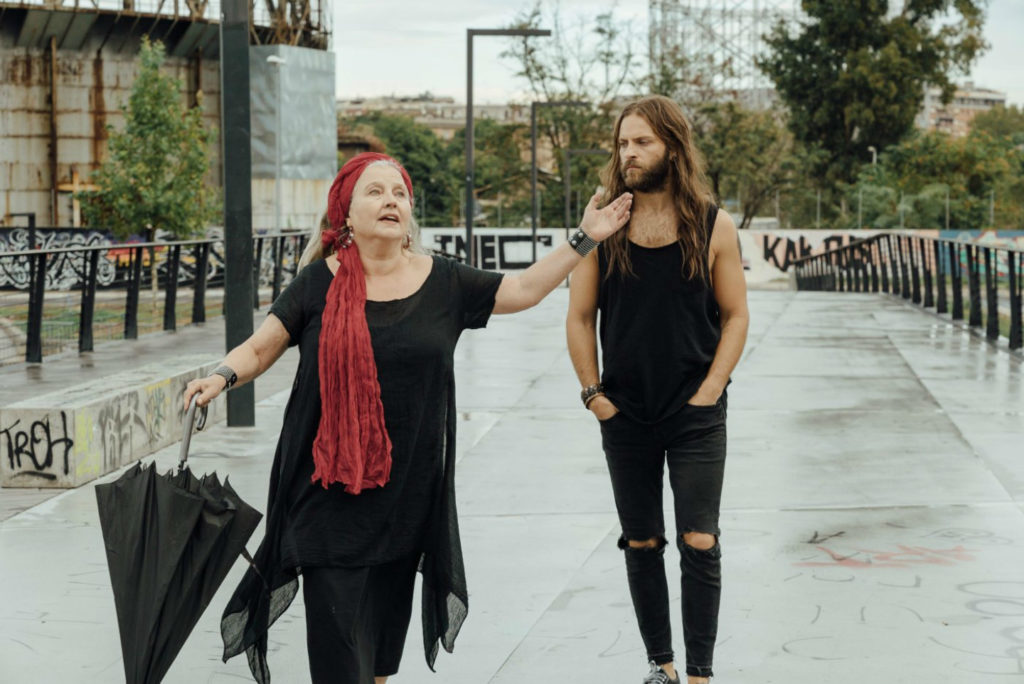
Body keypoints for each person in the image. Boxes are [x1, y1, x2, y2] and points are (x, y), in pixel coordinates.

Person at [181, 152, 632, 684]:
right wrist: (221, 376)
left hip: (405, 502)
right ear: (345, 214)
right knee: (339, 659)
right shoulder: (316, 286)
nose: (390, 200)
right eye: (375, 192)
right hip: (326, 495)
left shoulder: (444, 284)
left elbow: (526, 289)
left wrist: (586, 237)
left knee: (377, 662)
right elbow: (261, 348)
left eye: (399, 193)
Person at [566, 96, 749, 684]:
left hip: (695, 413)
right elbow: (579, 316)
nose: (629, 153)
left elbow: (736, 314)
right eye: (623, 143)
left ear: (672, 144)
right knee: (641, 541)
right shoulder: (602, 220)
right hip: (626, 412)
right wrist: (594, 395)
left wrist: (712, 387)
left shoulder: (711, 223)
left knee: (699, 539)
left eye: (641, 142)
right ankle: (661, 667)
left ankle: (699, 674)